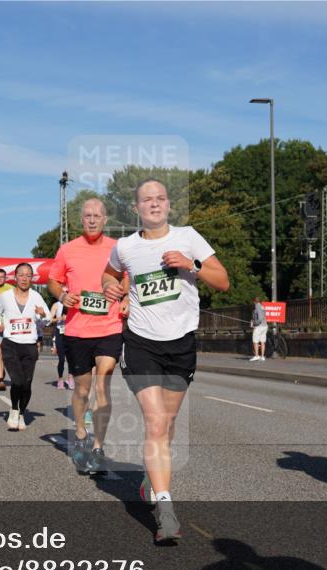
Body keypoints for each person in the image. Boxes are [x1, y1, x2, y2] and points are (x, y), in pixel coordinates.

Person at [103, 178, 229, 542]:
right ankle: (165, 508)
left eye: (160, 198)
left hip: (181, 344)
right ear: (137, 208)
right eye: (147, 199)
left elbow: (223, 282)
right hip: (141, 342)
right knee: (156, 423)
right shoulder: (125, 247)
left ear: (168, 205)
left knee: (167, 424)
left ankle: (151, 478)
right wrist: (110, 287)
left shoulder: (189, 237)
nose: (154, 204)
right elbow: (109, 274)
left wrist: (192, 265)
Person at [48, 197, 129, 474]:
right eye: (87, 216)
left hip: (110, 326)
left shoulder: (118, 248)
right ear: (80, 220)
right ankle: (81, 432)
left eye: (97, 215)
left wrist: (126, 295)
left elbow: (129, 276)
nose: (92, 220)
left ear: (105, 220)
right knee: (82, 388)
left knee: (103, 381)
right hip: (78, 330)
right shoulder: (67, 250)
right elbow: (53, 280)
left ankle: (98, 446)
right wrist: (63, 295)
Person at [0, 263, 50, 431]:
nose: (24, 278)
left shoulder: (36, 297)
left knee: (27, 384)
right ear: (15, 277)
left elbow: (47, 318)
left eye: (28, 275)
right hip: (10, 343)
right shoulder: (5, 296)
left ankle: (21, 413)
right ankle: (13, 409)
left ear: (32, 279)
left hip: (29, 345)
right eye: (21, 275)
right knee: (17, 380)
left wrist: (42, 314)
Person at [48, 298, 70, 390]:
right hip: (60, 332)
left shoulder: (71, 303)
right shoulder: (56, 305)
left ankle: (70, 379)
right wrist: (59, 318)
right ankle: (60, 380)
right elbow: (49, 320)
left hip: (71, 332)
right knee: (61, 359)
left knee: (71, 359)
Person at [250, 296, 268, 361]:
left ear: (254, 301)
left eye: (253, 301)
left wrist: (255, 324)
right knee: (263, 341)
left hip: (259, 326)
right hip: (264, 326)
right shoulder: (262, 306)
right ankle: (262, 356)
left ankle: (257, 355)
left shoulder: (257, 307)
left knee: (255, 341)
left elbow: (260, 318)